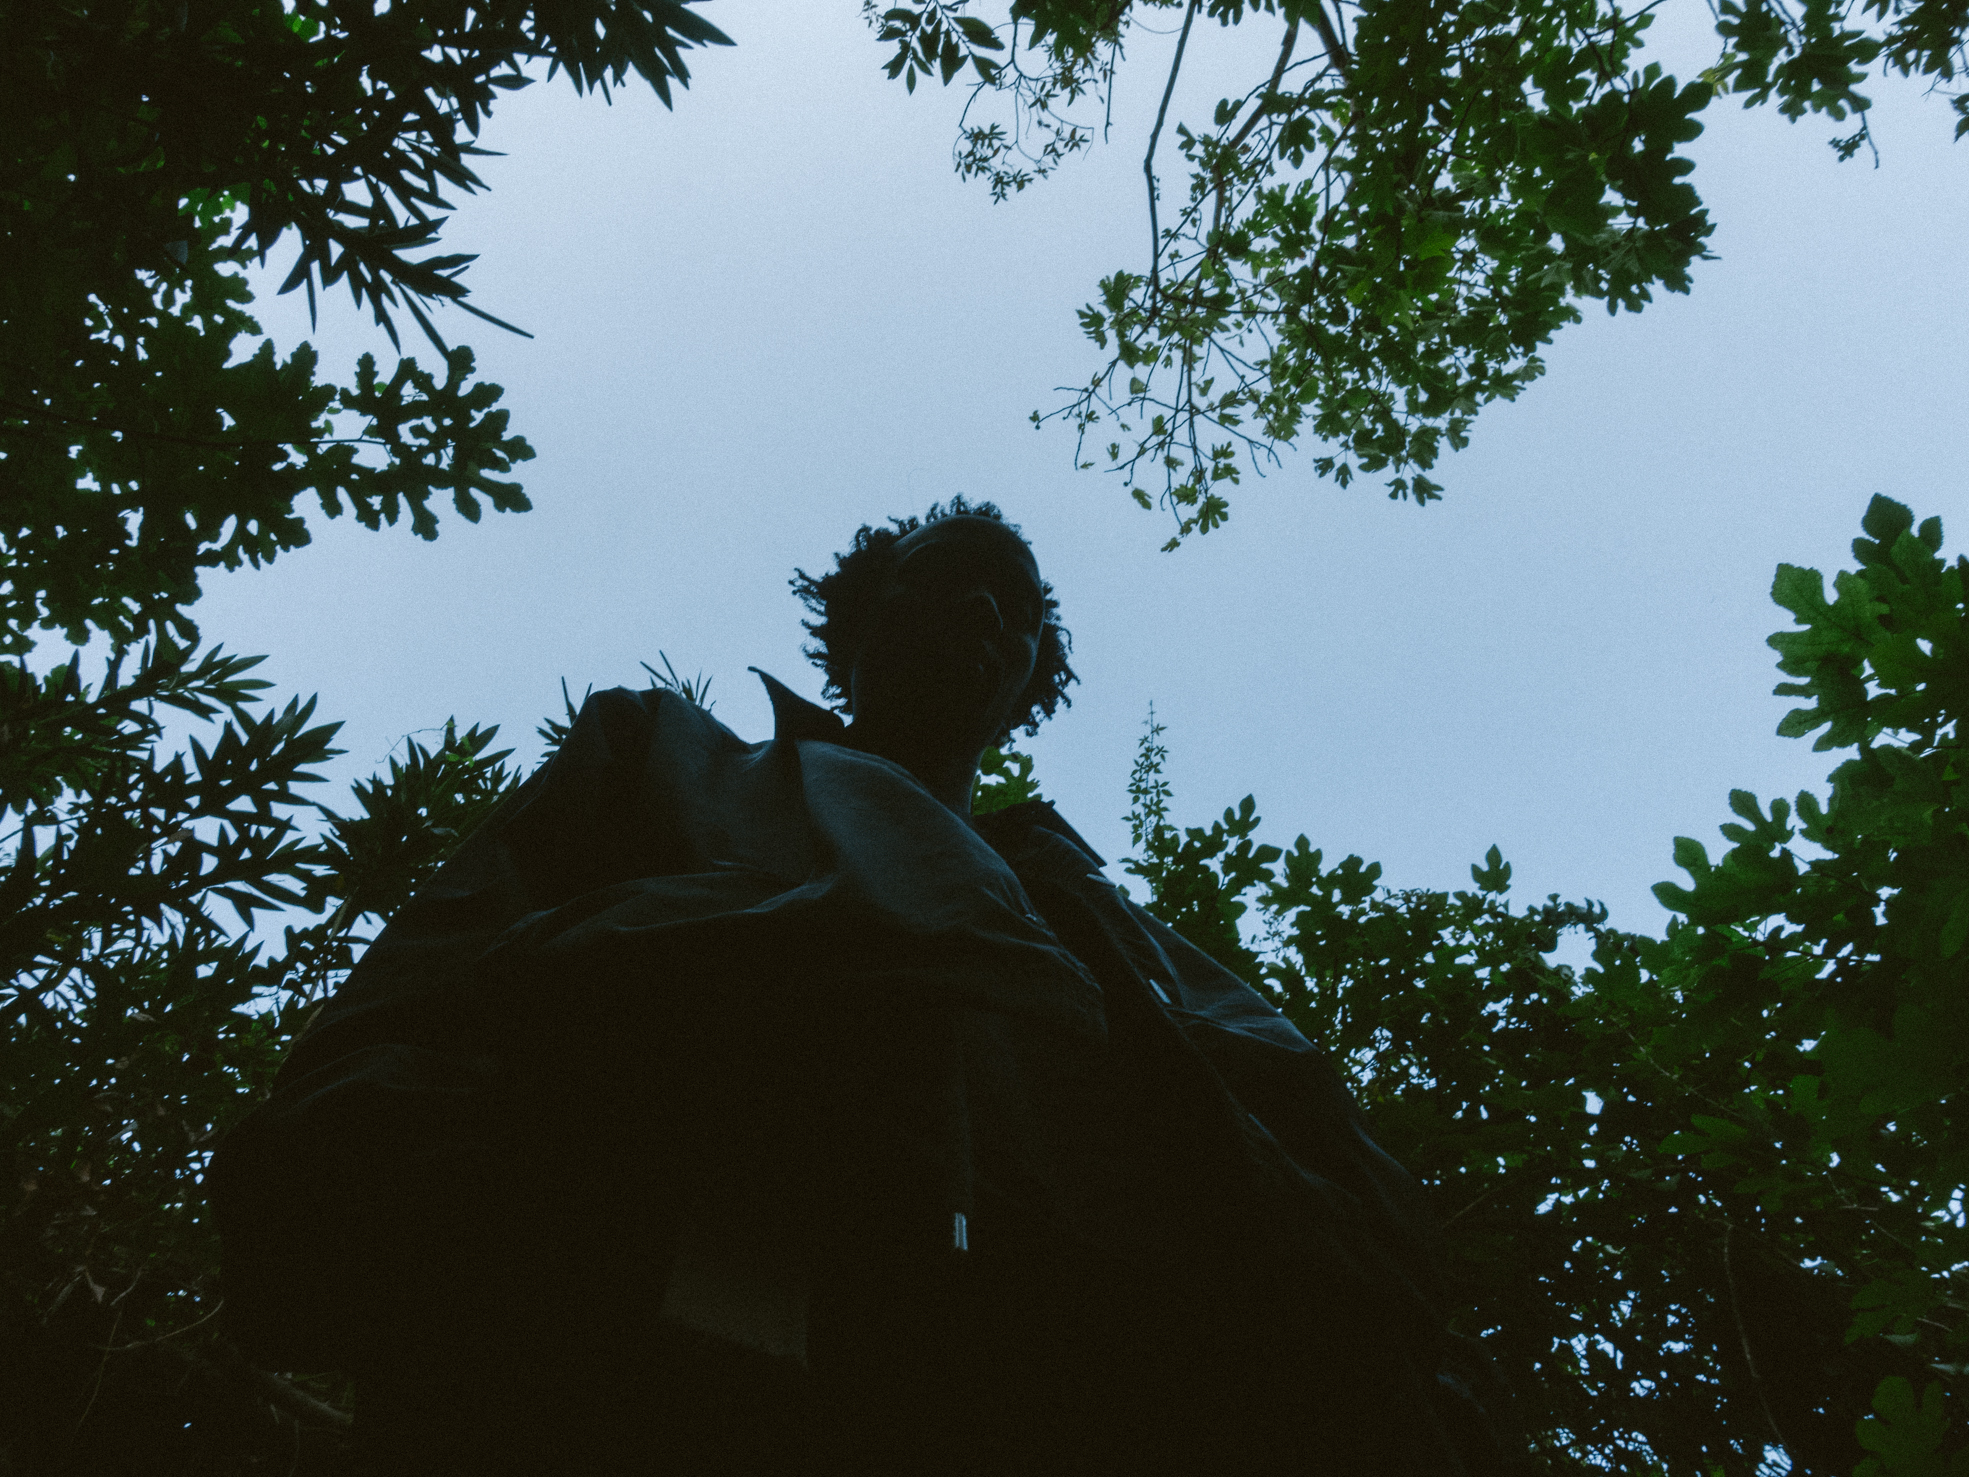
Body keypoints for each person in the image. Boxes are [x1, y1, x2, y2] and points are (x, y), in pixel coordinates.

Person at [210, 499, 1526, 1475]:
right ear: (856, 623)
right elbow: (394, 1043)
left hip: (1095, 1393)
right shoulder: (666, 758)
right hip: (673, 1351)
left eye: (1016, 612)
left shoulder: (1118, 935)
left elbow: (1323, 1187)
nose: (985, 616)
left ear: (1031, 680)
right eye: (946, 581)